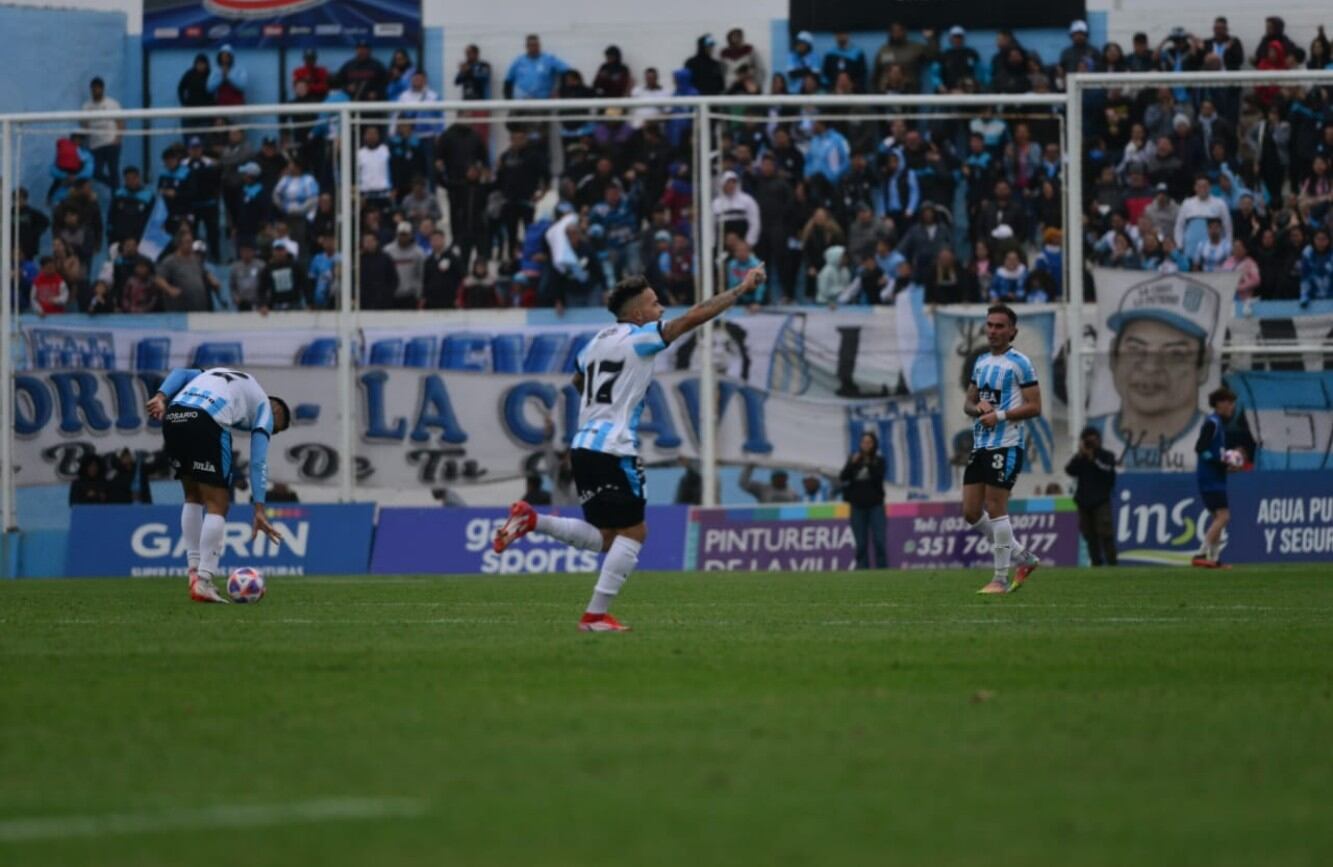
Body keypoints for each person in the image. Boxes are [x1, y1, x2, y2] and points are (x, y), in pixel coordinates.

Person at [493, 266, 766, 632]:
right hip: (614, 448)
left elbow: (578, 380)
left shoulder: (594, 345)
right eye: (655, 304)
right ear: (637, 315)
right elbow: (692, 317)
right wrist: (740, 289)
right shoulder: (640, 338)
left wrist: (605, 404)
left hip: (584, 446)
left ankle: (533, 520)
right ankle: (594, 616)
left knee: (607, 536)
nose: (661, 309)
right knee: (634, 532)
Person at [145, 367, 291, 603]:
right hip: (207, 419)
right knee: (218, 503)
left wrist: (162, 396)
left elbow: (182, 372)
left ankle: (194, 573)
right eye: (275, 428)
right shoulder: (264, 405)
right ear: (276, 411)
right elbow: (258, 462)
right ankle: (204, 580)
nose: (269, 431)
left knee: (193, 495)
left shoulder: (220, 375)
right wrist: (260, 509)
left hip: (174, 415)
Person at [1090, 276, 1220, 470]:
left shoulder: (1213, 436)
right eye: (1135, 349)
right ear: (1112, 355)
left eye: (1175, 354)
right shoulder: (1091, 435)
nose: (1150, 367)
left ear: (1203, 365)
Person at [962, 305, 1044, 594]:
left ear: (1012, 331)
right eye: (990, 325)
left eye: (1000, 326)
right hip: (981, 444)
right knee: (971, 512)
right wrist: (978, 407)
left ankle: (999, 578)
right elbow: (968, 403)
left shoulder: (1020, 363)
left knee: (996, 508)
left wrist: (998, 415)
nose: (993, 331)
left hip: (1006, 444)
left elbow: (1035, 406)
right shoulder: (981, 362)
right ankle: (1024, 557)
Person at [1192, 387, 1239, 568]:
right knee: (1224, 516)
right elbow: (1200, 449)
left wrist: (1227, 466)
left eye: (1233, 403)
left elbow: (1213, 454)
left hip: (1215, 478)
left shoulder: (1219, 425)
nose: (1231, 407)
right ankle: (1200, 554)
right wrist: (1221, 465)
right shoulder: (1212, 423)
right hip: (1210, 479)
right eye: (1228, 403)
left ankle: (1214, 559)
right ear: (1219, 404)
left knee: (1218, 518)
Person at [1065, 427, 1119, 566]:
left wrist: (1093, 458)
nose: (1090, 443)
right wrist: (1080, 455)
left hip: (1101, 501)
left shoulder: (1107, 455)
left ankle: (1113, 564)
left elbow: (1107, 470)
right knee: (1089, 536)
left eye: (1092, 439)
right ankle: (1096, 564)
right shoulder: (1081, 458)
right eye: (1086, 439)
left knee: (1106, 534)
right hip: (1084, 502)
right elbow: (1069, 470)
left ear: (1098, 439)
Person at [840, 433, 887, 570]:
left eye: (869, 442)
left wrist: (869, 464)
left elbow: (879, 479)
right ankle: (862, 569)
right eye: (864, 442)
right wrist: (852, 464)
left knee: (879, 541)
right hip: (857, 507)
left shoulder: (879, 461)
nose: (866, 445)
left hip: (876, 506)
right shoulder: (854, 459)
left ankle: (883, 570)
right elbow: (843, 477)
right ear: (860, 444)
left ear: (874, 444)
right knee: (860, 543)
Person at [81, 77, 124, 189]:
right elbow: (84, 125)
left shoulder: (112, 104)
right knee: (96, 172)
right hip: (95, 145)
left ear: (102, 89)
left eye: (97, 88)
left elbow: (120, 121)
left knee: (113, 170)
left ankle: (116, 197)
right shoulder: (86, 106)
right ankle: (115, 186)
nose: (95, 91)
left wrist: (117, 139)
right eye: (93, 89)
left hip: (111, 143)